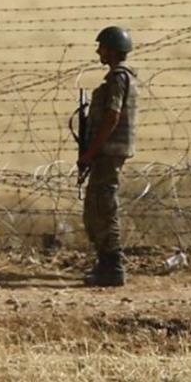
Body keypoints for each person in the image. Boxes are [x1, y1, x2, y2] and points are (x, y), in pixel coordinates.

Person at [77, 26, 138, 287]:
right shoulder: (120, 77)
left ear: (111, 50)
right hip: (108, 151)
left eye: (101, 46)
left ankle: (113, 266)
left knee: (104, 206)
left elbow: (112, 116)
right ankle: (106, 262)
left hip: (108, 152)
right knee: (96, 206)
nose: (98, 51)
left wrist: (91, 152)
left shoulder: (118, 78)